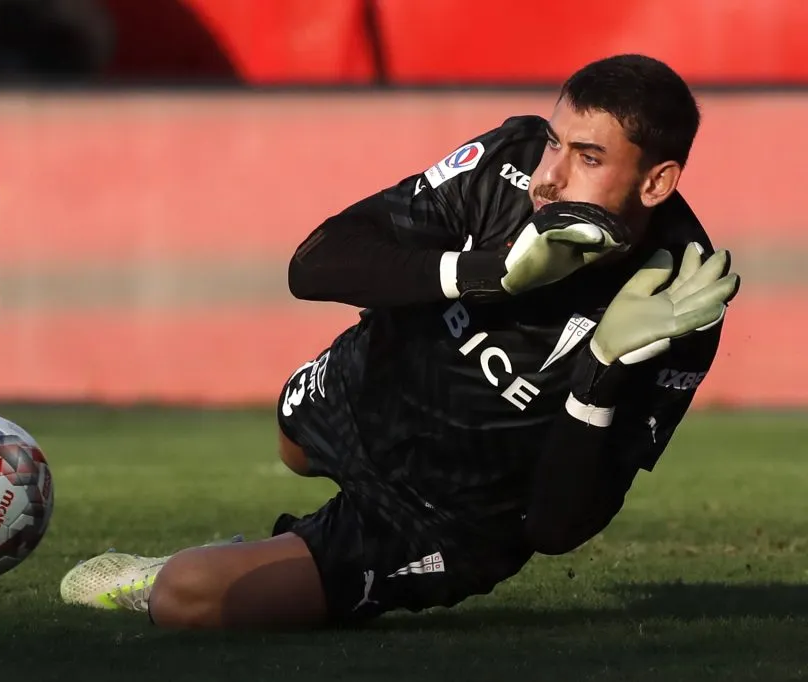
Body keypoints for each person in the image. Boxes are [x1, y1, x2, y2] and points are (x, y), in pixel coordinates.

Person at [59, 54, 740, 629]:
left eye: (587, 157)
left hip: (444, 515)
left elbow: (555, 529)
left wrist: (598, 374)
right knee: (291, 444)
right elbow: (315, 263)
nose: (549, 176)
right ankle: (277, 550)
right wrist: (487, 274)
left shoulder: (682, 300)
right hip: (375, 386)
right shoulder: (507, 161)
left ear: (657, 181)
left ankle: (210, 568)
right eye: (556, 142)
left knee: (190, 597)